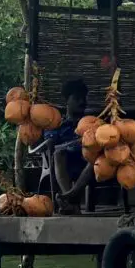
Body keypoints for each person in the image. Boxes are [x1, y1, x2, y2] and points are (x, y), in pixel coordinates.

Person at [42, 77, 95, 213]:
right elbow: (50, 144)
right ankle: (71, 202)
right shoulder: (56, 124)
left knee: (95, 157)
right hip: (66, 164)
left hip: (88, 164)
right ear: (67, 101)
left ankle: (69, 199)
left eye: (84, 98)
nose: (82, 102)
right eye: (77, 98)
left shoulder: (92, 123)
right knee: (59, 154)